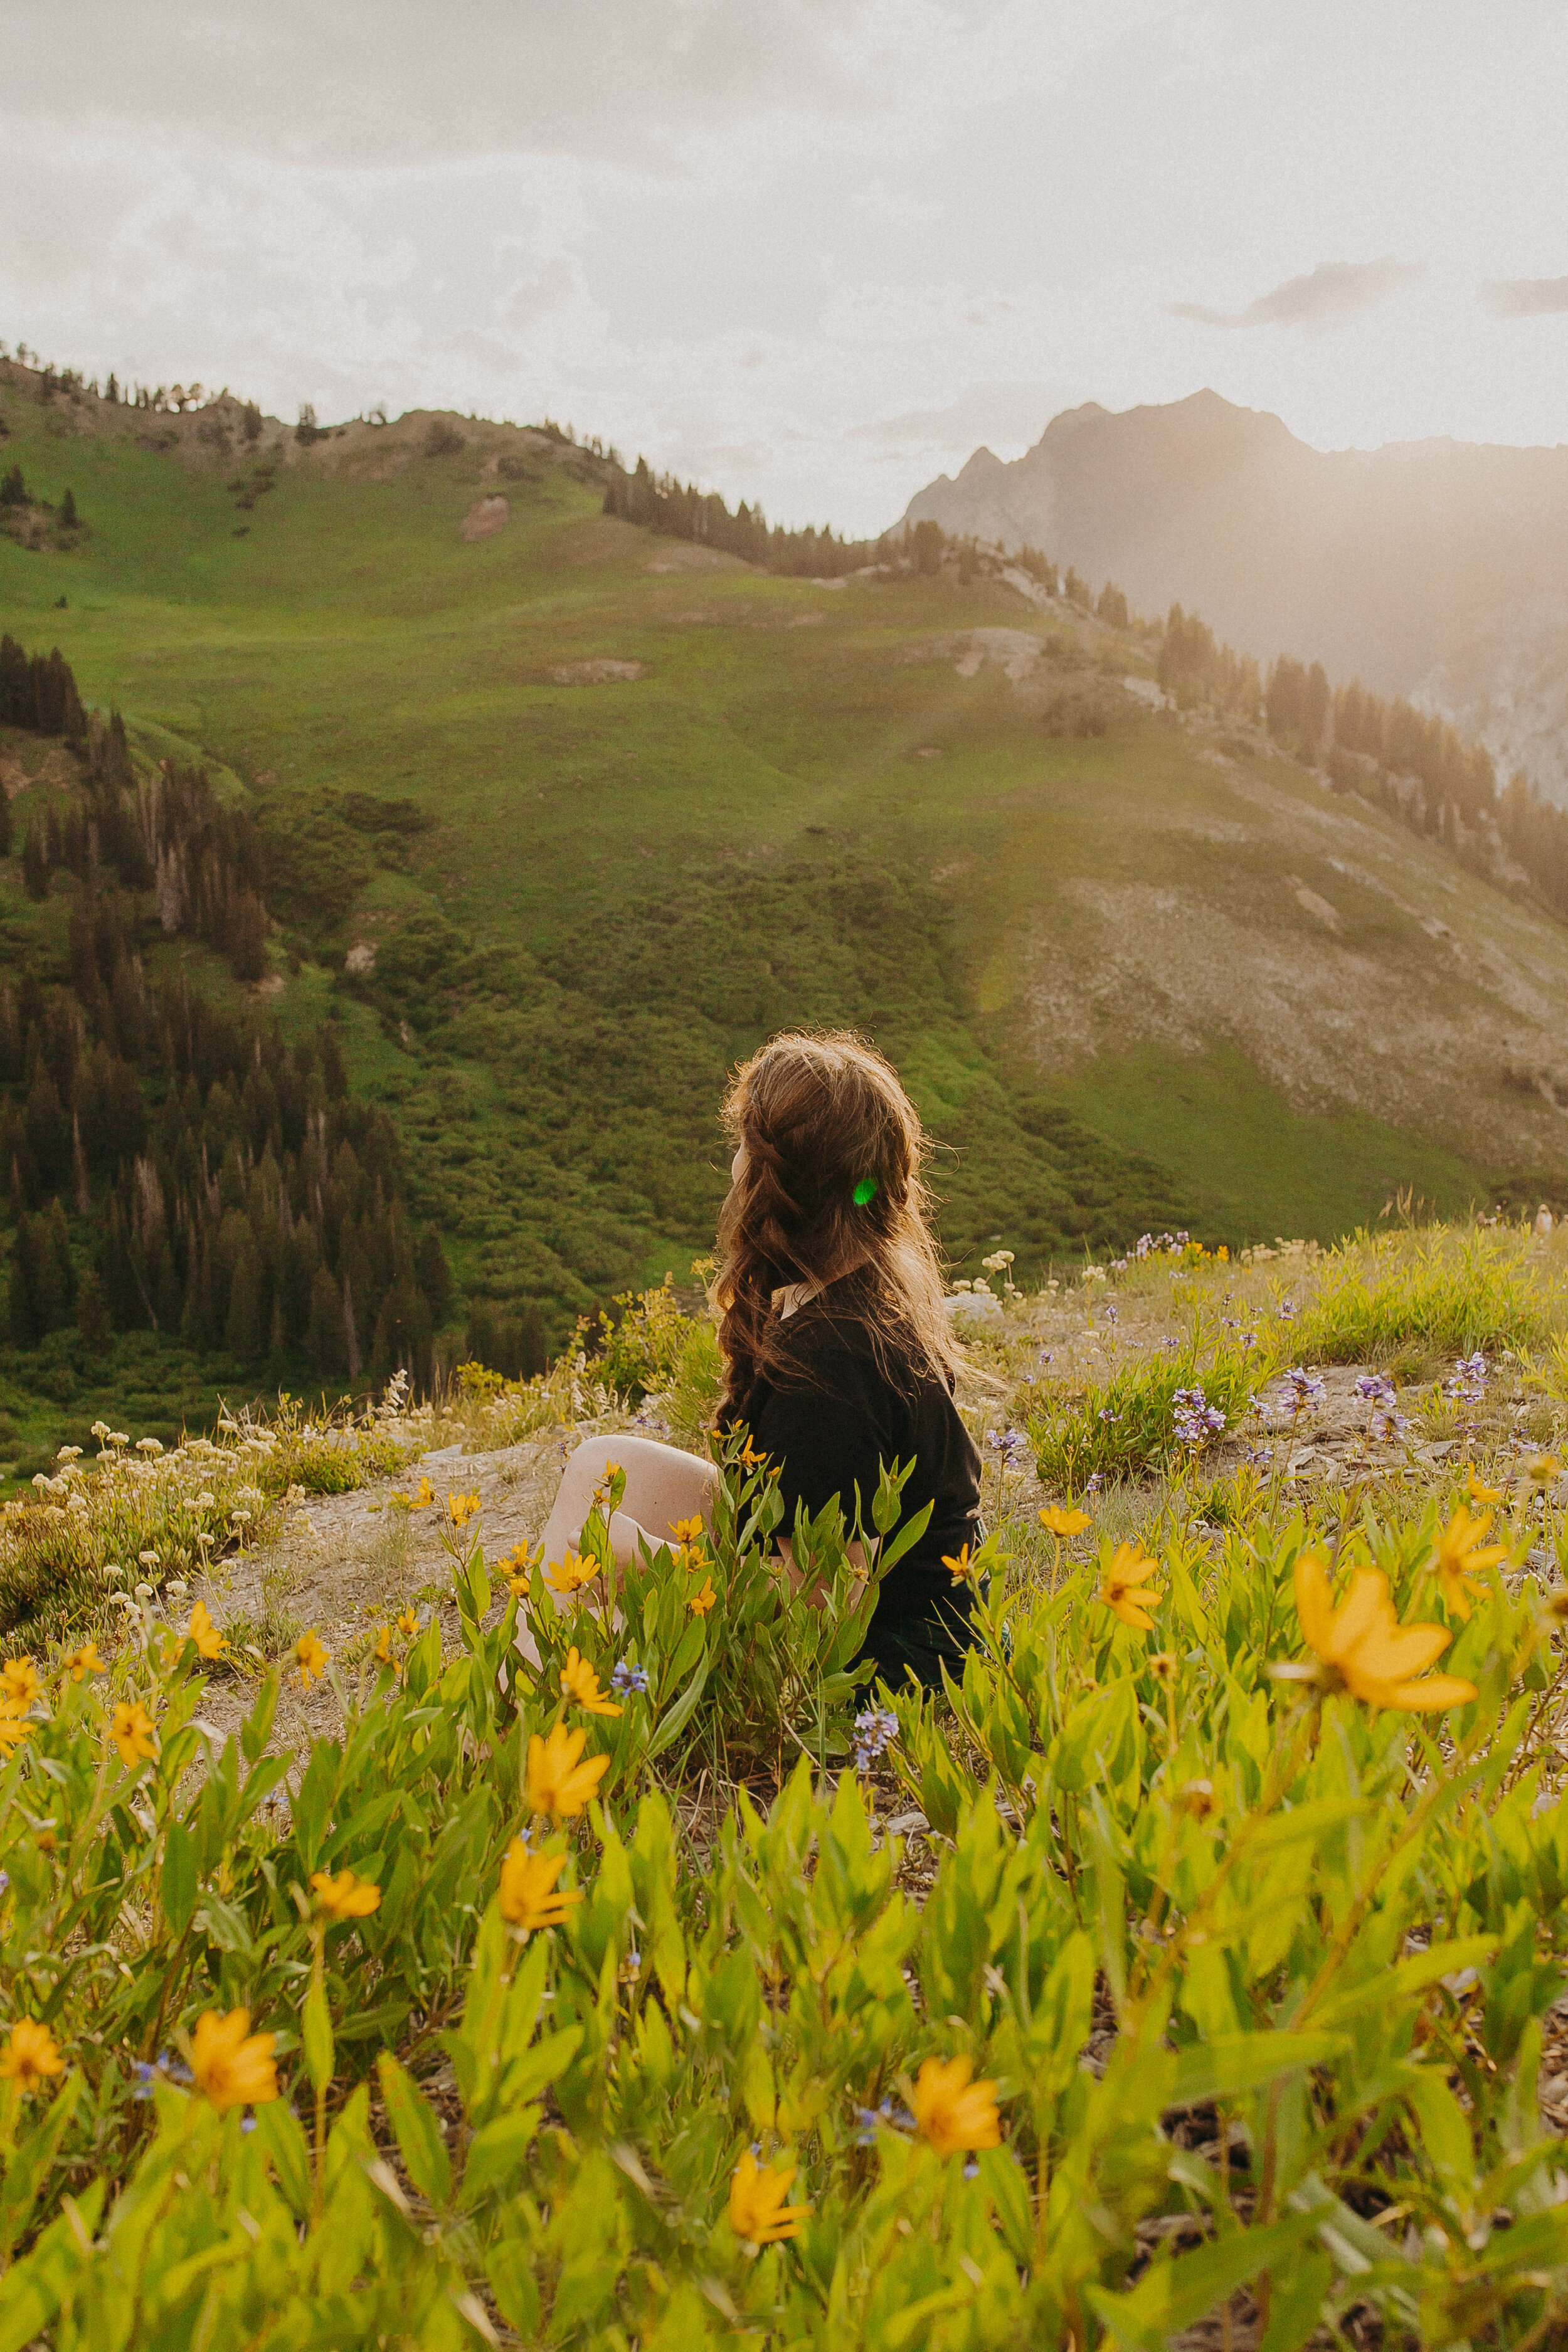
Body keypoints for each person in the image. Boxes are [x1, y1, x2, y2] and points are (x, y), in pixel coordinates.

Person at [536, 1030, 983, 1690]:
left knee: (600, 1552)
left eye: (745, 1147)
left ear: (769, 1180)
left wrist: (650, 1562)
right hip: (884, 1605)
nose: (736, 1164)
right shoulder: (852, 1288)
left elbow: (824, 1612)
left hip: (891, 1661)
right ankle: (530, 1703)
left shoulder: (833, 1360)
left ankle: (523, 1732)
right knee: (605, 1466)